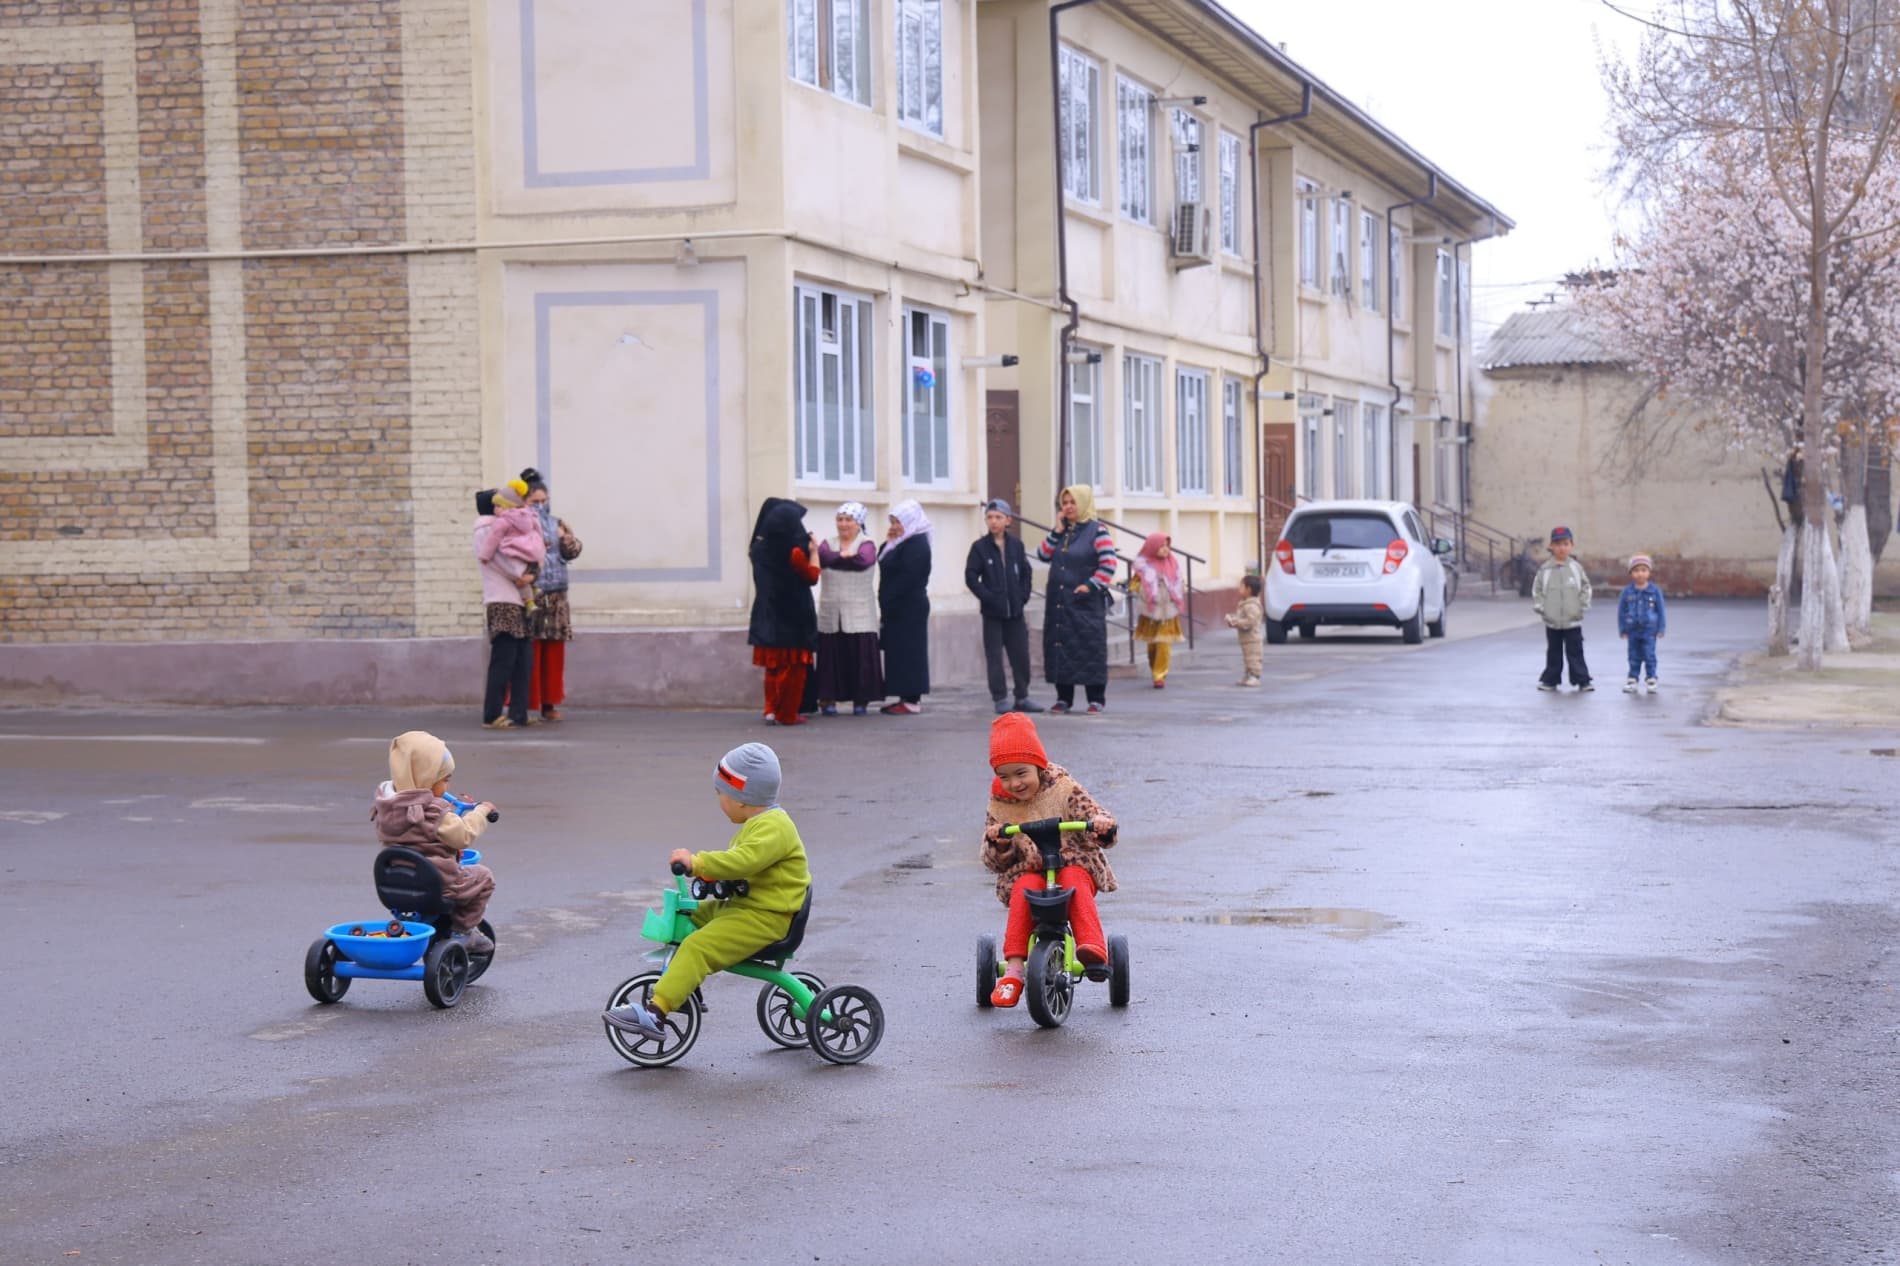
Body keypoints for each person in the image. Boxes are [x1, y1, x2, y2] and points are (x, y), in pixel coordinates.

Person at [602, 742, 811, 1037]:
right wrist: (715, 881)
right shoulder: (760, 824)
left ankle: (656, 1012)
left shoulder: (775, 827)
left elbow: (743, 861)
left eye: (720, 793)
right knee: (690, 915)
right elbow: (747, 871)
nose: (718, 800)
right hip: (747, 907)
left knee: (698, 946)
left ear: (741, 797)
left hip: (765, 918)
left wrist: (697, 863)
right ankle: (685, 982)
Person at [978, 712, 1118, 1007]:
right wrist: (998, 842)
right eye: (1004, 776)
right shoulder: (1000, 804)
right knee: (1022, 891)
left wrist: (1100, 823)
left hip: (1072, 861)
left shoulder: (1063, 788)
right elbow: (992, 860)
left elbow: (1092, 813)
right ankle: (1014, 969)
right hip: (1027, 870)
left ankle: (1092, 946)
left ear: (1039, 766)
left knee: (1075, 880)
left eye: (1021, 773)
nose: (1014, 783)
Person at [371, 731, 497, 954]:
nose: (447, 788)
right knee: (484, 877)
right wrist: (481, 812)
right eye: (445, 780)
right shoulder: (432, 812)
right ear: (426, 779)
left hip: (395, 884)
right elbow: (462, 835)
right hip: (438, 884)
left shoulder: (386, 807)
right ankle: (464, 932)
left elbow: (420, 835)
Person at [1036, 485, 1117, 713]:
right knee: (1060, 647)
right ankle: (1064, 698)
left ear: (1084, 503)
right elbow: (1042, 555)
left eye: (1073, 502)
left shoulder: (1097, 530)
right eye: (1065, 503)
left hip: (1085, 602)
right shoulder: (1062, 532)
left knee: (1089, 648)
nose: (1069, 507)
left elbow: (1109, 564)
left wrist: (1090, 585)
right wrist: (1056, 529)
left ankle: (1095, 699)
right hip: (1060, 603)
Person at [474, 481, 547, 729]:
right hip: (502, 600)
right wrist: (526, 575)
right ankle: (492, 714)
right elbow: (504, 562)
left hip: (518, 601)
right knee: (503, 661)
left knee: (523, 661)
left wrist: (531, 573)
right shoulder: (485, 530)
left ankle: (519, 713)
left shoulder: (503, 527)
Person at [964, 498, 1043, 716]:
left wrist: (1023, 596)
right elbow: (971, 577)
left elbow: (1026, 572)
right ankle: (999, 697)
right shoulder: (979, 547)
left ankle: (1022, 696)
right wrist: (988, 597)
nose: (994, 522)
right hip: (992, 613)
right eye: (990, 517)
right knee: (994, 656)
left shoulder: (1016, 545)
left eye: (998, 517)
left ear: (1008, 520)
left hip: (1015, 612)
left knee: (1020, 654)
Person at [748, 498, 820, 727]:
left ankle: (770, 709)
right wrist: (815, 552)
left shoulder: (759, 548)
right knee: (794, 669)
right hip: (793, 616)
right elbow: (812, 576)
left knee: (773, 668)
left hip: (767, 612)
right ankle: (787, 713)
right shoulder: (795, 553)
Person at [517, 468, 582, 723]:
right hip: (531, 593)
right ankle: (526, 703)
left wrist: (565, 539)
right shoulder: (517, 523)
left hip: (556, 595)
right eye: (535, 502)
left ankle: (549, 703)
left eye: (544, 501)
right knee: (530, 651)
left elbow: (573, 552)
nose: (541, 507)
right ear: (525, 501)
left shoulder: (557, 523)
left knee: (553, 652)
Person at [814, 502, 882, 716]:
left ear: (858, 522)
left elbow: (864, 560)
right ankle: (828, 700)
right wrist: (842, 557)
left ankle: (860, 701)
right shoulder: (828, 543)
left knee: (859, 656)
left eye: (848, 520)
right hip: (831, 610)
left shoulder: (867, 543)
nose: (843, 524)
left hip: (859, 611)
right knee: (831, 657)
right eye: (839, 519)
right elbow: (823, 556)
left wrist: (840, 558)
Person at [877, 500, 933, 715]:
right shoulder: (903, 542)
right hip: (897, 607)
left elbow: (905, 576)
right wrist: (889, 542)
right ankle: (903, 696)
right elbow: (883, 561)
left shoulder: (917, 544)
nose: (894, 526)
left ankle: (911, 699)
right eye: (892, 522)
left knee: (910, 652)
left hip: (909, 607)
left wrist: (891, 600)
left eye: (898, 522)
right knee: (898, 652)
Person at [1532, 525, 1593, 692]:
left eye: (1565, 544)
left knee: (1575, 651)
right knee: (1553, 652)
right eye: (1558, 544)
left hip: (1572, 620)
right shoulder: (1545, 570)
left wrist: (1582, 605)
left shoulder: (1575, 568)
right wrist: (1541, 607)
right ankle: (1551, 680)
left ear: (1571, 545)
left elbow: (1585, 587)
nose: (1561, 548)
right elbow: (1537, 589)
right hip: (1552, 621)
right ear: (1551, 546)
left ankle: (1582, 680)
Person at [1130, 532, 1186, 689]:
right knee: (1152, 645)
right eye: (1161, 546)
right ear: (1152, 547)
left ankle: (1159, 675)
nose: (1165, 549)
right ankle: (1155, 668)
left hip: (1168, 612)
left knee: (1163, 643)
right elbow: (1133, 585)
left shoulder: (1172, 563)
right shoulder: (1143, 566)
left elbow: (1180, 581)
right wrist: (1146, 589)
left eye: (1167, 545)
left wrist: (1176, 591)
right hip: (1150, 612)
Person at [1617, 554, 1667, 693]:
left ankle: (1651, 678)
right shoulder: (1627, 592)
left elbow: (1661, 610)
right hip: (1632, 630)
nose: (1640, 573)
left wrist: (1661, 628)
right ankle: (1633, 679)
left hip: (1649, 630)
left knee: (1649, 654)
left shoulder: (1655, 591)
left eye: (1644, 570)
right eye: (1636, 570)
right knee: (1633, 655)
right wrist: (1623, 629)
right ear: (1631, 573)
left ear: (1649, 572)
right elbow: (1622, 611)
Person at [1226, 573, 1266, 687]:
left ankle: (1255, 676)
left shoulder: (1252, 605)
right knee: (1247, 658)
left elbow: (1250, 621)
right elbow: (1243, 619)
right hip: (1246, 639)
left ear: (1249, 589)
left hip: (1253, 638)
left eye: (1241, 586)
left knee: (1253, 658)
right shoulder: (1245, 604)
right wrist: (1234, 620)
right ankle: (1248, 674)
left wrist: (1237, 622)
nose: (1239, 589)